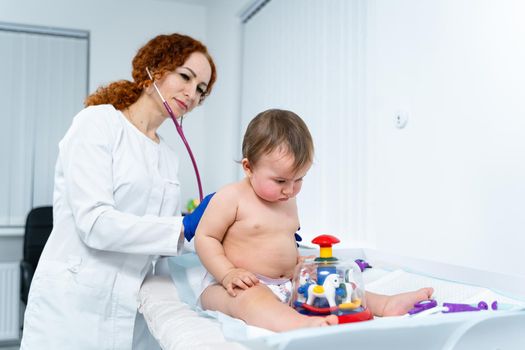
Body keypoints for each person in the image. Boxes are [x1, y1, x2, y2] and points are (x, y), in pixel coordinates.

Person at [21, 33, 217, 349]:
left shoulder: (168, 156)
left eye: (200, 89)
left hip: (130, 307)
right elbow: (95, 224)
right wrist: (182, 227)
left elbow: (161, 240)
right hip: (75, 304)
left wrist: (232, 234)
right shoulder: (97, 123)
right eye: (185, 76)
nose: (191, 94)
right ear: (155, 68)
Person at [194, 109, 434, 332]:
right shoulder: (231, 197)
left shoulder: (286, 199)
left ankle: (384, 305)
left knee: (334, 284)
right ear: (249, 167)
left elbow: (278, 237)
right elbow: (206, 237)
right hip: (236, 285)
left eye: (299, 179)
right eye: (280, 181)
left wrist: (295, 260)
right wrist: (227, 273)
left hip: (288, 282)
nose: (290, 189)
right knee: (251, 300)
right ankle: (300, 325)